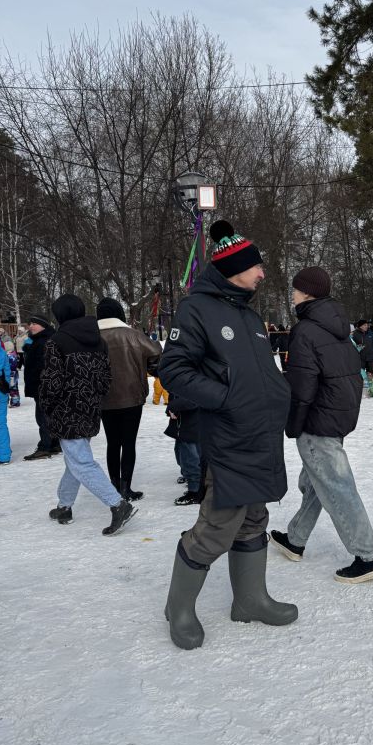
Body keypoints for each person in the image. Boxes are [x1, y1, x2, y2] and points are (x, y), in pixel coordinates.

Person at [158, 220, 297, 650]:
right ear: (233, 268)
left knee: (255, 518)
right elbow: (174, 370)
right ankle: (178, 608)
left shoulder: (249, 314)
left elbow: (258, 372)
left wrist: (278, 394)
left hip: (260, 435)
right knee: (218, 524)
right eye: (256, 266)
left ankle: (250, 600)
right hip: (227, 437)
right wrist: (228, 398)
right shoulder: (196, 309)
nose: (262, 274)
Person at [269, 266, 373, 583]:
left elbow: (302, 386)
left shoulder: (306, 330)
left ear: (307, 293)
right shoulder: (337, 327)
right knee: (317, 483)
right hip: (335, 417)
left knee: (336, 486)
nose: (292, 294)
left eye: (295, 289)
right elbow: (348, 374)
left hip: (317, 422)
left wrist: (293, 425)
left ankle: (368, 556)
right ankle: (296, 538)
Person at [39, 294, 136, 534]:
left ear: (60, 315)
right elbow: (105, 377)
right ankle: (64, 505)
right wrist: (93, 399)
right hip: (90, 408)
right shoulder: (98, 340)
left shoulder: (56, 341)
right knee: (76, 458)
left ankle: (117, 504)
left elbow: (52, 381)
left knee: (80, 460)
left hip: (66, 410)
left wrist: (47, 405)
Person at [97, 298, 162, 501]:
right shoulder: (133, 335)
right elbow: (156, 354)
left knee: (112, 443)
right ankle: (126, 488)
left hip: (104, 398)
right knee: (128, 442)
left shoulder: (92, 337)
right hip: (132, 397)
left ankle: (115, 486)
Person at [23, 314, 61, 460]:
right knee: (48, 415)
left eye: (34, 323)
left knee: (42, 417)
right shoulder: (39, 339)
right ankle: (54, 443)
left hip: (43, 386)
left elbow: (44, 366)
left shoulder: (45, 340)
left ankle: (46, 446)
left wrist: (42, 384)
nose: (30, 326)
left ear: (43, 325)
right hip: (41, 385)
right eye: (30, 323)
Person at [164, 393, 202, 505]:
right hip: (182, 422)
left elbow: (195, 396)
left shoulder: (195, 376)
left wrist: (173, 406)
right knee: (181, 453)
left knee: (190, 457)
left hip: (192, 423)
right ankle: (189, 477)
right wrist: (171, 409)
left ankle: (195, 491)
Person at [0, 343, 11, 464]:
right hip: (1, 391)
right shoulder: (1, 352)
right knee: (1, 424)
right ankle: (4, 456)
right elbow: (7, 372)